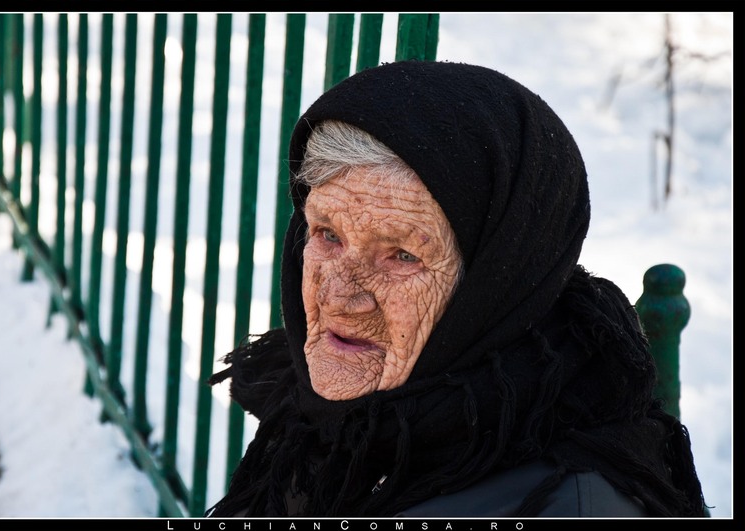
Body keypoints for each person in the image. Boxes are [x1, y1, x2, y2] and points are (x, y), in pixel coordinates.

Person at [205, 60, 707, 517]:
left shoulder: (567, 505)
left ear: (495, 285)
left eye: (403, 255)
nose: (339, 296)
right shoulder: (328, 420)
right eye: (327, 235)